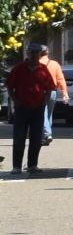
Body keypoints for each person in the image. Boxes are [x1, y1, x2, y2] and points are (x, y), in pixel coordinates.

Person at [6, 45, 56, 175]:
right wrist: (16, 101)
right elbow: (10, 86)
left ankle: (32, 165)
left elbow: (50, 87)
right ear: (27, 54)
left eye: (36, 53)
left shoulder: (43, 69)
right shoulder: (18, 69)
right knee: (19, 137)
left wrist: (45, 101)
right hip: (22, 108)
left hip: (38, 108)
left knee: (36, 138)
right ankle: (16, 166)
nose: (34, 56)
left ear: (39, 54)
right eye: (32, 53)